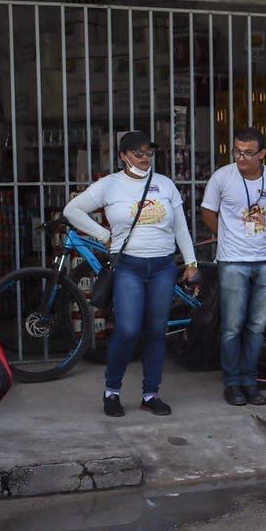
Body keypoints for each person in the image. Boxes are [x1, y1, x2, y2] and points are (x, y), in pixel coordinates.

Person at [64, 131, 198, 417]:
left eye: (149, 153)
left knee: (156, 332)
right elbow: (72, 210)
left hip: (163, 265)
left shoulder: (165, 184)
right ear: (123, 156)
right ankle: (112, 390)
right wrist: (104, 235)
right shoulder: (110, 185)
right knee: (127, 330)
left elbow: (181, 228)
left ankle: (151, 394)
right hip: (129, 267)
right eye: (138, 153)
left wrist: (191, 262)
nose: (145, 158)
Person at [200, 127, 266, 407]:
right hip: (233, 261)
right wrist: (228, 236)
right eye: (237, 150)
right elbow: (207, 213)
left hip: (265, 260)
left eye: (248, 152)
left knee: (257, 326)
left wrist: (261, 232)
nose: (241, 157)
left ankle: (250, 381)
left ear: (262, 153)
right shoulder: (222, 177)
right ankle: (232, 382)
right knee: (232, 327)